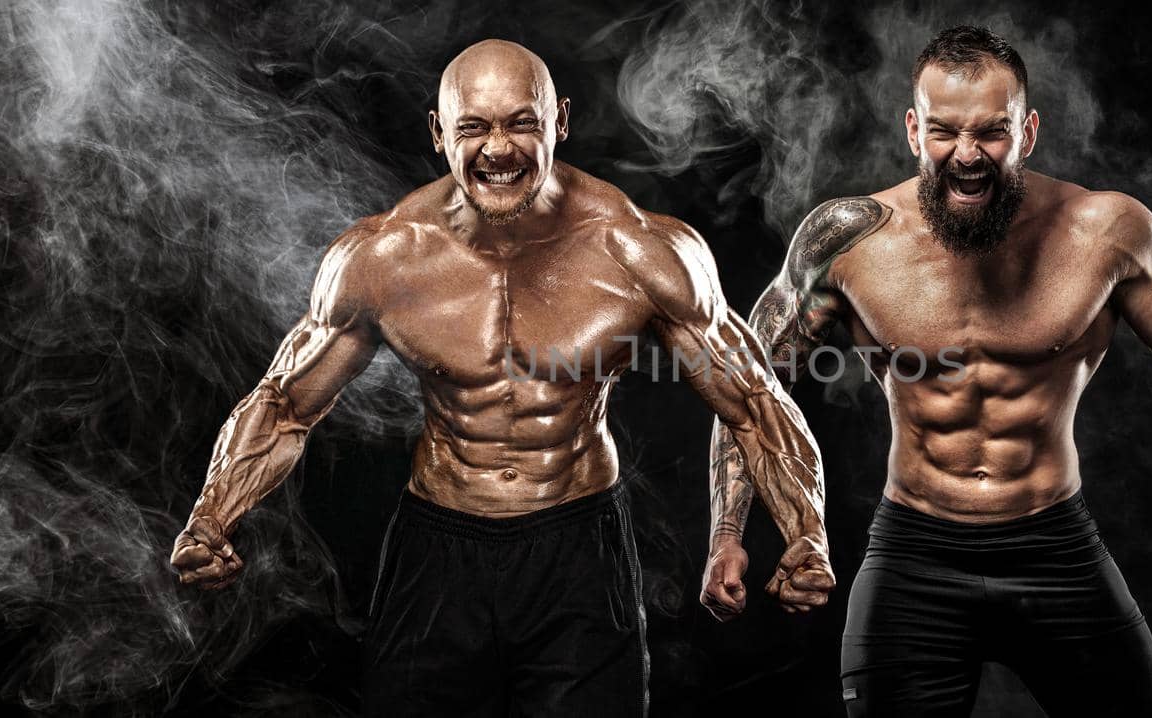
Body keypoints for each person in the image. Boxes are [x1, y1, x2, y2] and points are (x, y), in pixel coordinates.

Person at [170, 39, 834, 717]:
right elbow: (284, 405)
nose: (499, 150)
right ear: (437, 132)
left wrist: (805, 532)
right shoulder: (383, 256)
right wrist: (211, 516)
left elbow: (754, 405)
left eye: (522, 123)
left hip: (578, 548)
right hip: (438, 551)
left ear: (560, 122)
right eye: (473, 127)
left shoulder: (642, 251)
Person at [701, 26, 1152, 717]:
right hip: (914, 553)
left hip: (1056, 549)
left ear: (1029, 131)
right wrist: (727, 536)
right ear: (915, 130)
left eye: (992, 133)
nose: (968, 156)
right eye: (946, 132)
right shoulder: (848, 241)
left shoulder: (1105, 232)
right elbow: (749, 385)